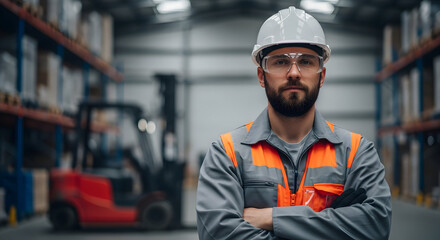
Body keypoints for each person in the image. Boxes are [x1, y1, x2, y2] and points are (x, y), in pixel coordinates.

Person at [196, 6, 392, 240]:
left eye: (307, 62)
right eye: (280, 62)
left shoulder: (356, 152)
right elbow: (218, 233)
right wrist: (332, 225)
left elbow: (376, 225)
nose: (294, 73)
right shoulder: (227, 153)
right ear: (262, 75)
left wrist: (272, 218)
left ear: (322, 76)